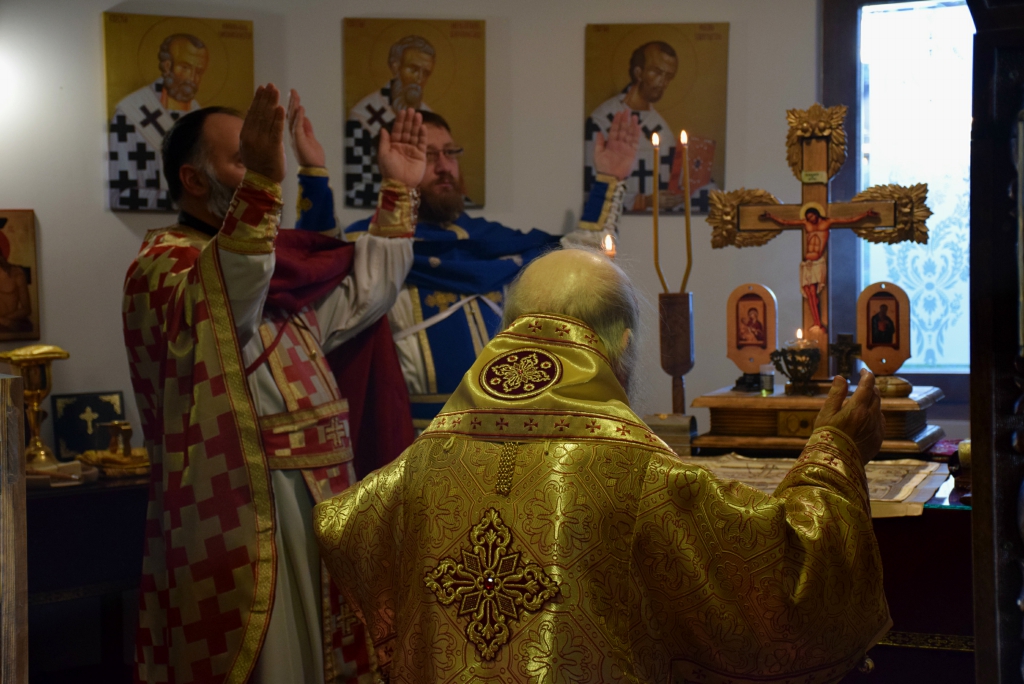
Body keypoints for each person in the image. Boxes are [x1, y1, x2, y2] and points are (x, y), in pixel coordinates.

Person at [314, 247, 891, 683]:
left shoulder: (419, 466)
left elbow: (342, 524)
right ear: (624, 345)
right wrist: (834, 451)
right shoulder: (640, 474)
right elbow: (789, 579)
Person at [122, 84, 423, 683]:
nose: (269, 171)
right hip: (252, 508)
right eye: (246, 158)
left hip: (326, 496)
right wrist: (261, 187)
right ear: (193, 179)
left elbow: (362, 298)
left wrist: (397, 190)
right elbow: (229, 303)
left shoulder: (270, 268)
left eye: (266, 155)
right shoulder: (165, 266)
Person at [346, 108, 640, 428]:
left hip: (505, 432)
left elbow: (576, 264)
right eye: (428, 155)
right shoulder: (372, 252)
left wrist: (609, 181)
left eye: (449, 153)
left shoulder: (495, 244)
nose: (444, 166)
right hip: (413, 436)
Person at [109, 34, 210, 212]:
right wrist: (190, 201)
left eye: (199, 72)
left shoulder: (203, 121)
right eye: (185, 67)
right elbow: (120, 196)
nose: (192, 79)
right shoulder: (130, 114)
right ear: (167, 66)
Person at [585, 41, 685, 212]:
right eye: (657, 72)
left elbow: (673, 183)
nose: (663, 82)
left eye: (669, 76)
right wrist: (643, 202)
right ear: (639, 73)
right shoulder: (602, 121)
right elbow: (590, 188)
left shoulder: (661, 128)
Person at [345, 35, 436, 208]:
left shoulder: (429, 116)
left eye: (426, 73)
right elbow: (355, 189)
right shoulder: (362, 116)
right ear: (395, 67)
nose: (419, 79)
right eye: (413, 69)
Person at [761, 205, 879, 330]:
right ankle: (816, 323)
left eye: (811, 216)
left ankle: (818, 323)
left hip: (817, 262)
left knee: (813, 292)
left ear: (816, 214)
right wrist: (771, 217)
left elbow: (849, 220)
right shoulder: (806, 223)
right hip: (807, 263)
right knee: (808, 293)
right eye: (808, 217)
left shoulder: (827, 222)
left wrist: (865, 214)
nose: (810, 219)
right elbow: (785, 222)